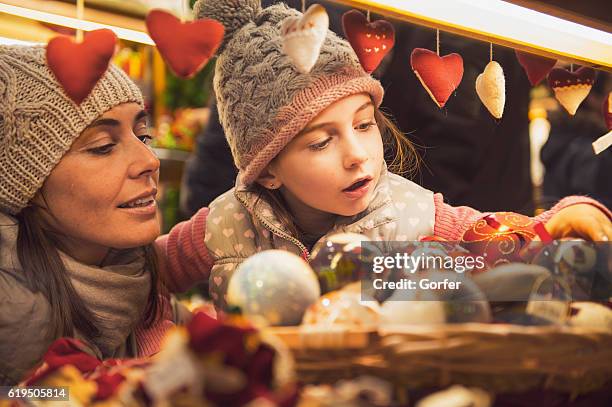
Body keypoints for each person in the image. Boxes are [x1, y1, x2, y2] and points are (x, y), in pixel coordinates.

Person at [157, 0, 611, 310]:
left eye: (364, 124)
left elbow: (502, 244)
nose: (359, 156)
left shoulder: (417, 213)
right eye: (320, 142)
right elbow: (141, 278)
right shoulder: (225, 225)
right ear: (267, 168)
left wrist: (561, 219)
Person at [0, 45, 190, 385]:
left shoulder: (144, 285)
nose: (150, 161)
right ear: (22, 180)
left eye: (143, 135)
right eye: (103, 146)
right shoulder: (14, 322)